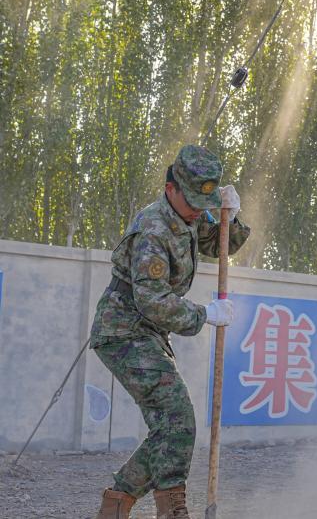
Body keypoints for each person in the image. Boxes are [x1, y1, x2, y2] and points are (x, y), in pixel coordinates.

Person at [90, 145, 251, 519]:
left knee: (170, 426)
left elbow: (221, 244)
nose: (198, 210)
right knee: (178, 419)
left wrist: (232, 215)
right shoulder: (153, 228)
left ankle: (116, 505)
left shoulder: (189, 214)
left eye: (204, 201)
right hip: (123, 332)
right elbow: (151, 300)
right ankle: (172, 510)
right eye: (193, 201)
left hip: (147, 333)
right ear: (170, 188)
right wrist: (204, 314)